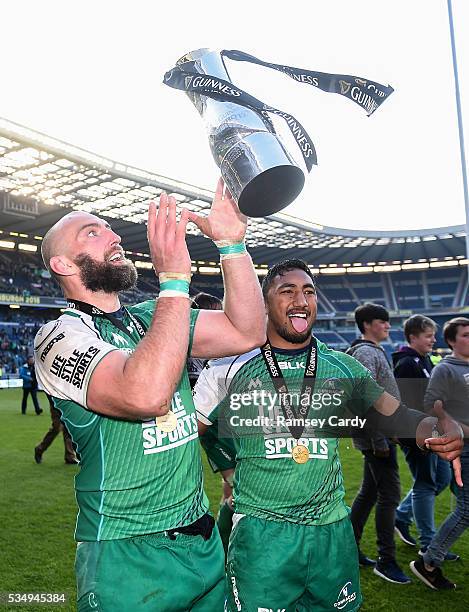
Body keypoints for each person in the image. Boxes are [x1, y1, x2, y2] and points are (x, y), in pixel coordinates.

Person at [34, 178, 266, 611]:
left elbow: (247, 330)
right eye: (93, 232)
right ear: (64, 264)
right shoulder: (58, 336)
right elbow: (145, 394)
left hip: (201, 539)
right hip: (128, 554)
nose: (115, 236)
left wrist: (233, 246)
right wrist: (174, 280)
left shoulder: (149, 317)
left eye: (109, 228)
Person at [193, 259, 463, 612]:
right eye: (286, 291)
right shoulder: (228, 367)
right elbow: (186, 434)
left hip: (332, 532)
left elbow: (396, 415)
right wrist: (225, 472)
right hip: (263, 535)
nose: (300, 300)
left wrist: (435, 429)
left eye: (308, 291)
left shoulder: (343, 366)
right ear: (263, 303)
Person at [347, 303, 410, 583]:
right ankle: (386, 560)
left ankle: (347, 549)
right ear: (368, 324)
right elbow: (364, 397)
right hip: (377, 438)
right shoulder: (365, 352)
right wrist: (378, 438)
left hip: (378, 436)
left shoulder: (370, 351)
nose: (387, 326)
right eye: (382, 322)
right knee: (390, 497)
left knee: (369, 494)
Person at [411, 317, 469, 590]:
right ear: (451, 341)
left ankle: (434, 552)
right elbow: (431, 405)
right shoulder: (445, 369)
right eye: (466, 335)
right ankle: (429, 561)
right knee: (467, 509)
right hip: (463, 449)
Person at [393, 315, 457, 560]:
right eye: (428, 336)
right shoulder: (407, 363)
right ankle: (429, 544)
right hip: (419, 436)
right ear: (413, 337)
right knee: (425, 485)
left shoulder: (425, 361)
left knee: (442, 479)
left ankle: (401, 515)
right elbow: (408, 404)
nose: (433, 340)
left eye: (433, 335)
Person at [34, 393, 78, 464]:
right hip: (56, 404)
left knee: (68, 429)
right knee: (56, 428)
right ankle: (39, 449)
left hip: (68, 403)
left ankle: (69, 456)